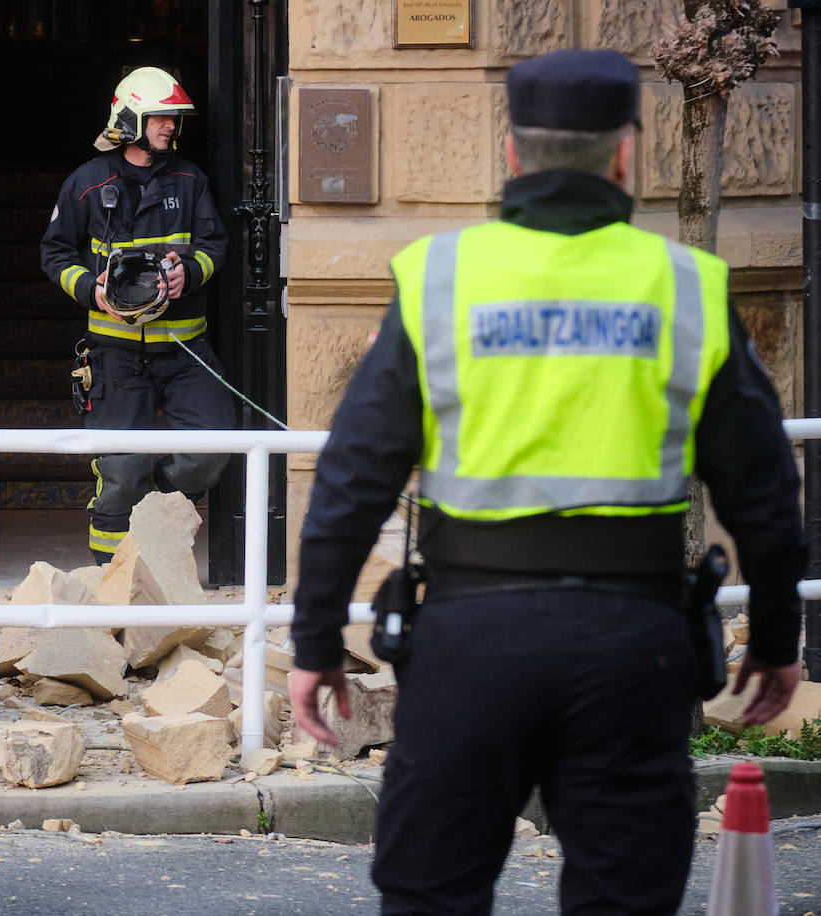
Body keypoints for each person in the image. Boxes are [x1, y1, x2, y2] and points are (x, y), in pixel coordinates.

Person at [289, 48, 805, 914]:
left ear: (513, 153)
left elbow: (352, 479)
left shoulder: (440, 280)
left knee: (431, 896)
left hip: (466, 647)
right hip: (634, 650)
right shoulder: (686, 288)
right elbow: (762, 493)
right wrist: (779, 637)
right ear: (626, 154)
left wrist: (312, 645)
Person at [41, 66, 234, 563]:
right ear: (129, 118)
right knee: (121, 471)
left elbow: (214, 245)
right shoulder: (86, 184)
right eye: (161, 117)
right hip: (115, 358)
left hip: (187, 352)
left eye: (174, 118)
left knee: (211, 450)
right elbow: (55, 254)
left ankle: (160, 509)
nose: (171, 126)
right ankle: (110, 578)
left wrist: (187, 275)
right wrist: (92, 287)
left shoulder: (190, 181)